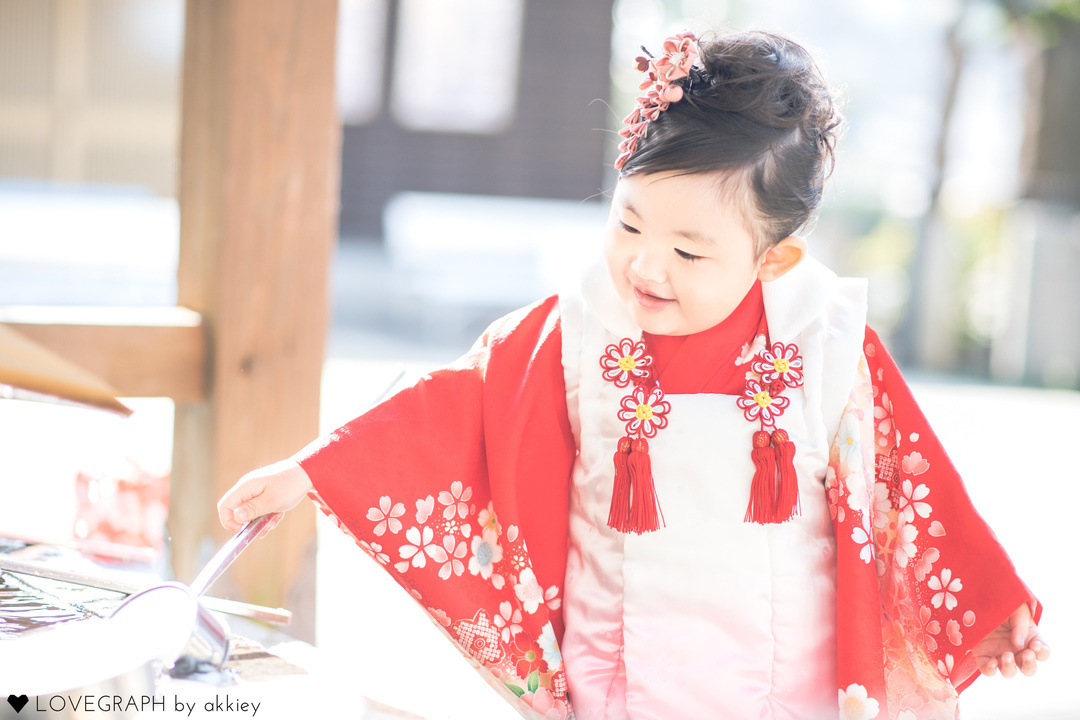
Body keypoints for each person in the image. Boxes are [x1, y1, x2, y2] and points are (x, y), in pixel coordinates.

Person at [218, 29, 1049, 720]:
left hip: (782, 684)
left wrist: (989, 602)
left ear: (774, 258)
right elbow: (462, 409)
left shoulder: (825, 342)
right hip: (619, 677)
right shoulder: (581, 327)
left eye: (690, 251)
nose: (647, 266)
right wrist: (317, 470)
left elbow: (912, 481)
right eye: (629, 224)